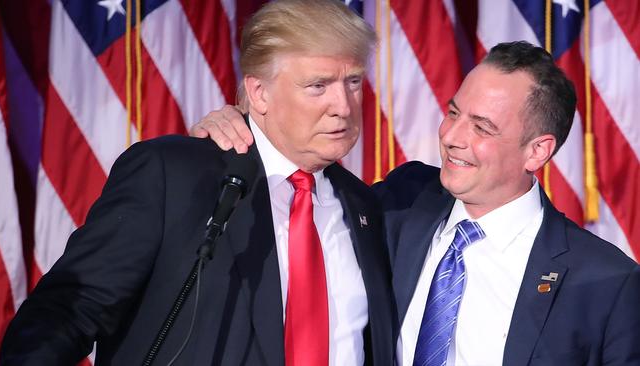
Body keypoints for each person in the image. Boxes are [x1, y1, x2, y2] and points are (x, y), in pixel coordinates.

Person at [191, 41, 640, 365]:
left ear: (537, 151)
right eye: (453, 112)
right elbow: (300, 189)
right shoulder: (399, 203)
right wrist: (245, 127)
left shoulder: (605, 281)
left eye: (481, 128)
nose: (452, 137)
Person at [0, 1, 395, 365]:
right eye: (318, 86)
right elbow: (70, 309)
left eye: (354, 82)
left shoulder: (364, 206)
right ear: (259, 93)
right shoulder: (173, 176)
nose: (343, 106)